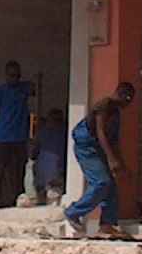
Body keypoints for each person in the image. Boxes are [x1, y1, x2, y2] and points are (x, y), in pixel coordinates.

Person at [61, 81, 136, 239]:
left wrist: (121, 164)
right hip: (87, 148)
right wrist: (111, 159)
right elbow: (101, 133)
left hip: (99, 148)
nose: (128, 104)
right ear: (122, 95)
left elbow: (114, 141)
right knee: (101, 183)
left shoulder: (116, 113)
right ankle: (73, 212)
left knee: (111, 187)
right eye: (128, 99)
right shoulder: (104, 106)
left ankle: (107, 225)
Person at [0, 61, 32, 213]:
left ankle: (15, 199)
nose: (14, 78)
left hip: (19, 138)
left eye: (17, 75)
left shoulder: (23, 89)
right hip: (3, 137)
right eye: (11, 75)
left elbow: (35, 88)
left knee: (17, 171)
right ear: (6, 75)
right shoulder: (0, 91)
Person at [32, 109, 66, 206]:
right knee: (53, 199)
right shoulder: (65, 133)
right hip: (56, 169)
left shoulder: (42, 132)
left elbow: (34, 152)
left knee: (42, 197)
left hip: (44, 169)